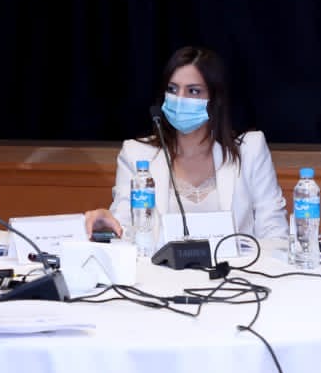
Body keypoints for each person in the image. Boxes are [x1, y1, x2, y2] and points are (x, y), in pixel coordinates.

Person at [85, 46, 287, 241]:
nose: (180, 99)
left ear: (215, 99)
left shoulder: (250, 149)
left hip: (237, 265)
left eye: (193, 91)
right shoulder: (136, 153)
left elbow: (275, 233)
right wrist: (108, 224)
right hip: (160, 265)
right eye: (172, 89)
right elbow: (125, 228)